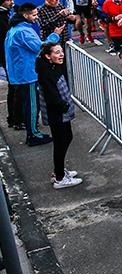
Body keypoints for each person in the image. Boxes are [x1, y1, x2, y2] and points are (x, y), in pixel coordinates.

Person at [36, 42, 82, 188]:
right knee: (60, 143)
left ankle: (59, 171)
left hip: (61, 113)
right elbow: (51, 96)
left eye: (61, 51)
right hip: (57, 114)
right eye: (56, 52)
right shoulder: (46, 73)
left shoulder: (54, 67)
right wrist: (63, 106)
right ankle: (60, 178)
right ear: (48, 56)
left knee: (67, 137)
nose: (61, 54)